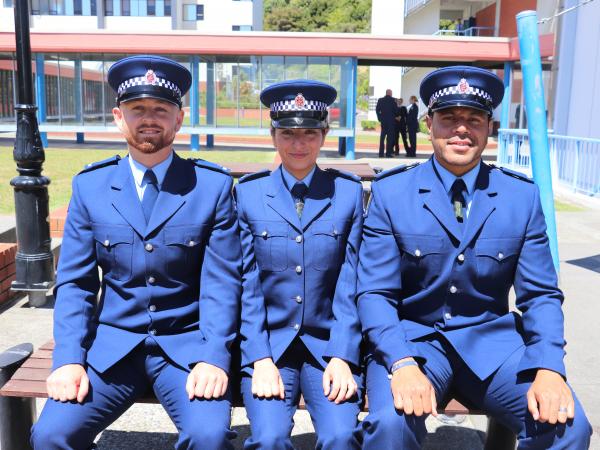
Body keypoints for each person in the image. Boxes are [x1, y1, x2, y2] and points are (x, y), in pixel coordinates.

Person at [357, 66, 592, 449]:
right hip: (415, 345)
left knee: (568, 427)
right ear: (429, 124)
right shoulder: (392, 193)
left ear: (488, 128)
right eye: (449, 119)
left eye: (474, 119)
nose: (461, 129)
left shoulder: (520, 197)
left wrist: (550, 366)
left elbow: (541, 295)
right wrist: (399, 363)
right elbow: (374, 294)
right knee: (389, 424)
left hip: (493, 349)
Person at [31, 55, 242, 450]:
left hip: (185, 347)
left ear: (178, 120)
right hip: (113, 348)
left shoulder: (210, 187)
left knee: (209, 437)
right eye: (137, 109)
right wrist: (70, 359)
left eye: (161, 109)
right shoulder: (91, 187)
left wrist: (214, 355)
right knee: (51, 435)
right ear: (117, 116)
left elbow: (222, 283)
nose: (149, 118)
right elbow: (75, 285)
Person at [235, 79, 363, 449]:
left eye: (309, 132)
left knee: (341, 437)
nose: (298, 144)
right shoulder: (248, 194)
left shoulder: (349, 193)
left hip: (327, 345)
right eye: (288, 133)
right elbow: (245, 283)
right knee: (270, 438)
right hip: (270, 345)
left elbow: (352, 282)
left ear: (324, 135)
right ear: (273, 135)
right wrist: (258, 357)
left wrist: (342, 354)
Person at [376, 89, 400, 158]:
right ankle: (388, 153)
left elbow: (377, 110)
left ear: (386, 93)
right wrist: (397, 107)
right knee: (389, 139)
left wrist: (380, 118)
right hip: (391, 123)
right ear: (390, 93)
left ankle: (381, 153)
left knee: (382, 138)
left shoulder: (380, 100)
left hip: (383, 122)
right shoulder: (393, 100)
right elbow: (396, 112)